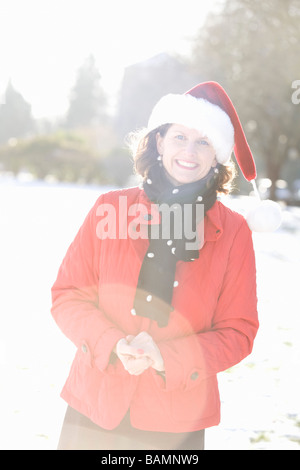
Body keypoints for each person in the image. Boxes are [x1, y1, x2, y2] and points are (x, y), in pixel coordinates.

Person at [51, 81, 260, 450]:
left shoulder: (233, 233)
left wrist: (167, 357)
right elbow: (68, 297)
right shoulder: (109, 209)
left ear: (218, 157)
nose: (189, 152)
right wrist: (113, 344)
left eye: (204, 142)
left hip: (176, 422)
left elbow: (238, 332)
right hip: (95, 407)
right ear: (160, 142)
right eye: (180, 137)